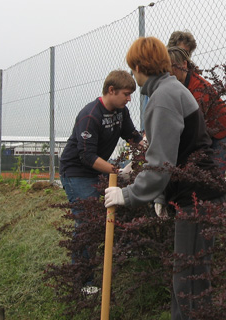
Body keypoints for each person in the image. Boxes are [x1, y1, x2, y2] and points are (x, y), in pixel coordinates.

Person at [105, 37, 226, 320]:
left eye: (132, 68)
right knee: (191, 279)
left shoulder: (162, 98)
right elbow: (173, 150)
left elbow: (160, 162)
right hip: (197, 194)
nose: (133, 74)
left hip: (197, 198)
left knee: (188, 283)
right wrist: (160, 195)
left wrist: (127, 194)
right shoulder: (170, 90)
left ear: (139, 67)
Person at [59, 70, 142, 289]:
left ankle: (127, 251)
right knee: (86, 222)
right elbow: (86, 156)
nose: (129, 99)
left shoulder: (121, 111)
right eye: (126, 94)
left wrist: (146, 146)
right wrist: (118, 172)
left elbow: (132, 135)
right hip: (77, 172)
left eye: (131, 94)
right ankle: (83, 281)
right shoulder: (90, 116)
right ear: (111, 90)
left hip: (100, 169)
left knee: (130, 199)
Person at [168, 46, 226, 174]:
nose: (170, 71)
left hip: (223, 131)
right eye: (167, 67)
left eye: (174, 66)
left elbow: (195, 120)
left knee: (215, 176)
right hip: (206, 133)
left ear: (184, 64)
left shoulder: (198, 86)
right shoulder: (177, 85)